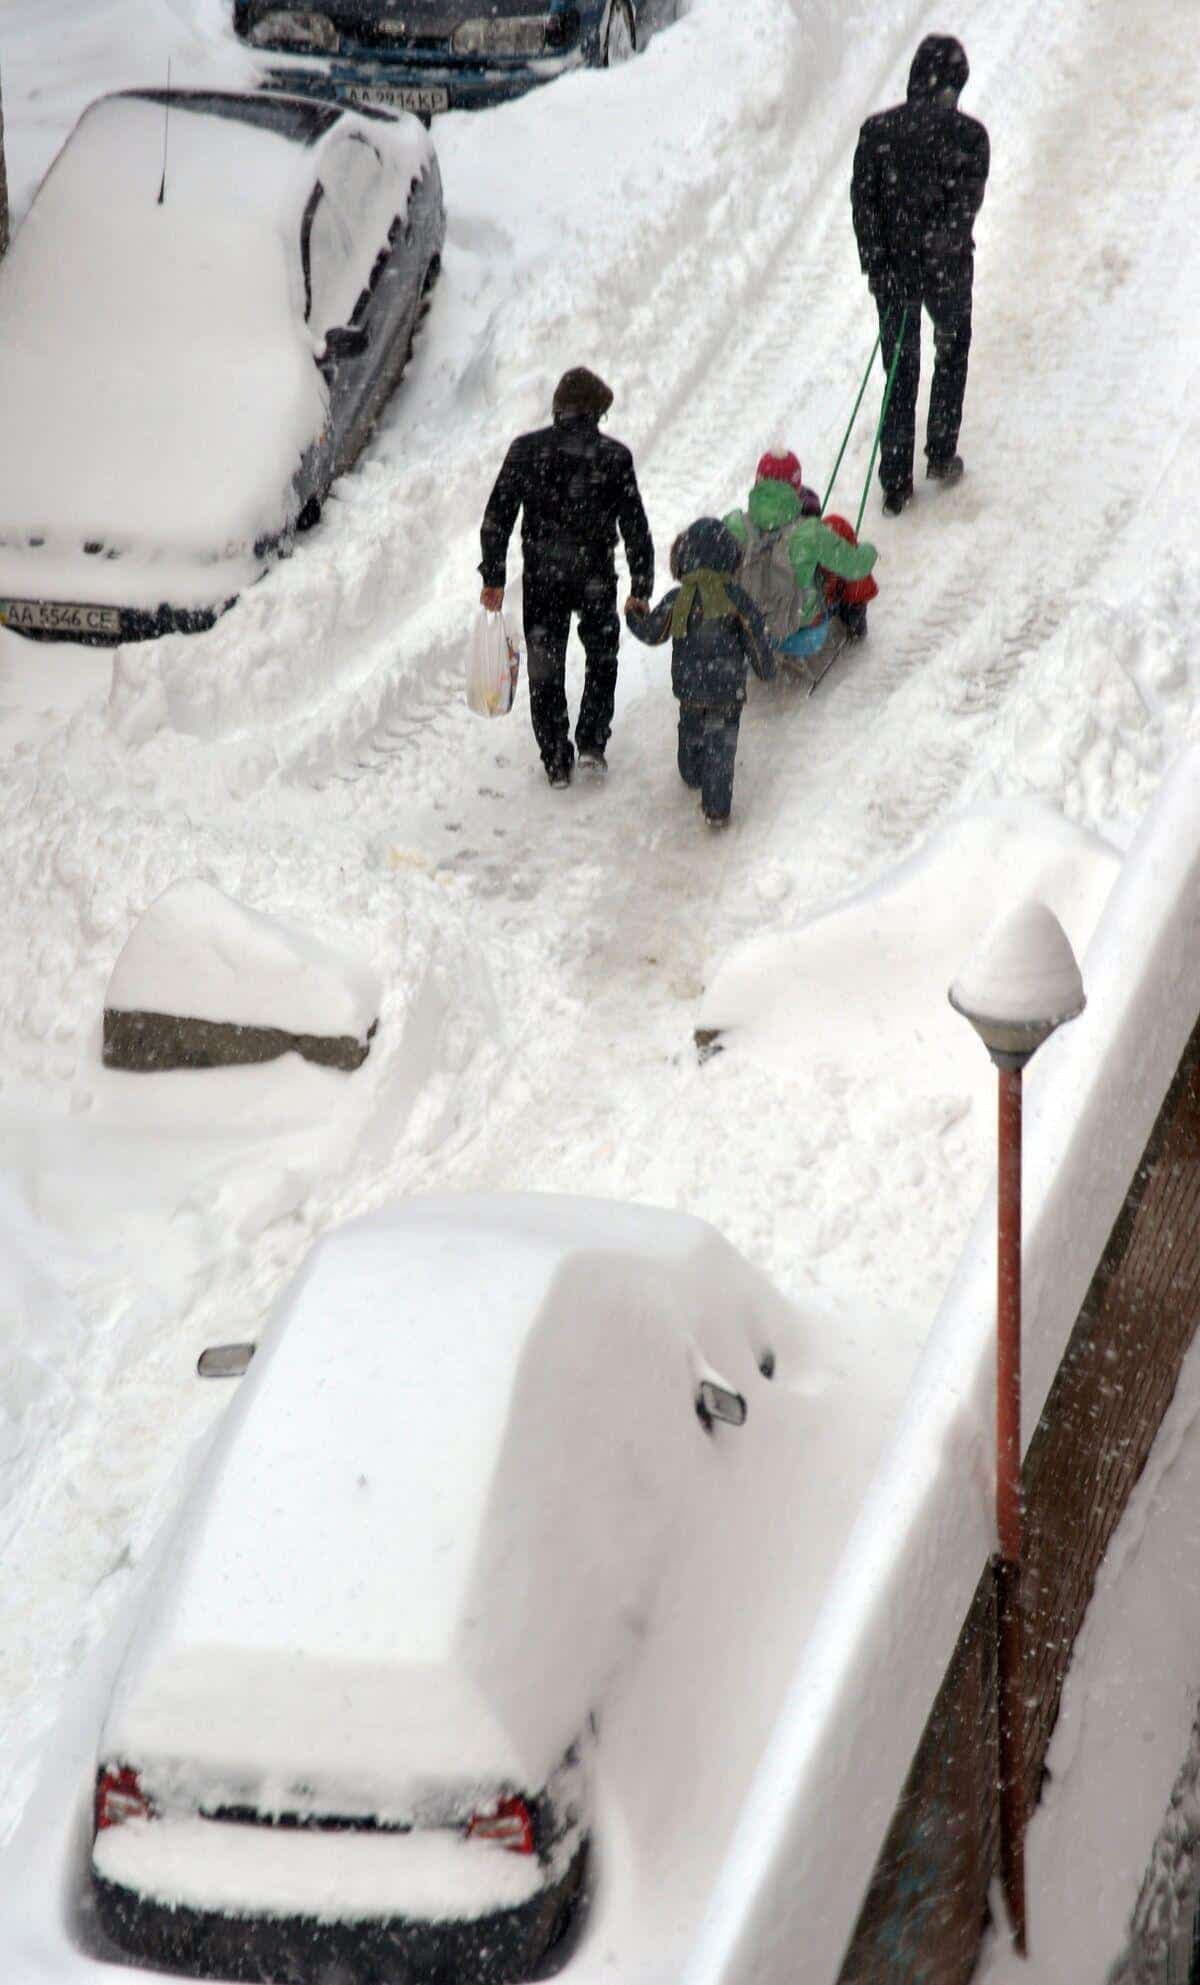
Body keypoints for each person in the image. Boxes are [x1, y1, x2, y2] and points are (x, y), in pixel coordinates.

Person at [479, 367, 654, 787]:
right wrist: (640, 587)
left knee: (545, 666)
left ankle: (556, 759)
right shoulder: (614, 457)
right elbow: (635, 527)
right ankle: (592, 742)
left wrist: (494, 576)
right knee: (602, 657)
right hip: (594, 574)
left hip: (543, 577)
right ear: (593, 413)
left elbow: (496, 519)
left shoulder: (525, 451)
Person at [851, 34, 990, 516]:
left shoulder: (877, 132)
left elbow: (863, 207)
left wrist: (881, 264)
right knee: (950, 350)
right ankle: (940, 453)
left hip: (894, 275)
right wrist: (931, 256)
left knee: (899, 370)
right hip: (947, 271)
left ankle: (894, 481)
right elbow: (962, 211)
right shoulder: (970, 138)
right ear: (953, 84)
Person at [625, 518, 776, 829]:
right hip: (726, 690)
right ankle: (717, 809)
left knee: (691, 730)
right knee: (720, 746)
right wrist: (765, 669)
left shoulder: (679, 599)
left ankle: (692, 772)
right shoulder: (736, 599)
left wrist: (633, 613)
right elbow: (755, 637)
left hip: (690, 689)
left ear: (684, 558)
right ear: (730, 558)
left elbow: (653, 633)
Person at [723, 461, 878, 667]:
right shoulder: (808, 532)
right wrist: (869, 550)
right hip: (801, 636)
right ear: (796, 487)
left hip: (747, 629)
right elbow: (858, 567)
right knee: (837, 526)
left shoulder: (733, 524)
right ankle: (854, 616)